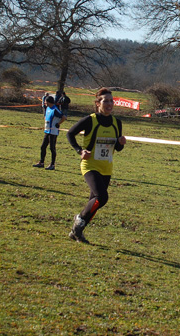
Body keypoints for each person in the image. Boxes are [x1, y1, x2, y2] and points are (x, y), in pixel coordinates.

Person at [67, 87, 126, 243]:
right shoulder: (90, 120)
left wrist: (121, 143)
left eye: (111, 101)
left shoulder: (116, 123)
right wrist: (80, 151)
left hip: (106, 167)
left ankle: (77, 232)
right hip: (90, 165)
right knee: (102, 197)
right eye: (105, 101)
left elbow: (117, 148)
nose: (109, 104)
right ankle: (79, 220)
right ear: (98, 103)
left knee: (95, 202)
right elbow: (69, 133)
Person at [33, 95, 66, 170]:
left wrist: (58, 124)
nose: (45, 103)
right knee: (43, 147)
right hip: (47, 131)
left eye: (46, 102)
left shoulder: (55, 109)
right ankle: (41, 162)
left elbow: (64, 117)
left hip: (53, 132)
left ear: (49, 102)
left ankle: (52, 164)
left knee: (52, 148)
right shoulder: (48, 108)